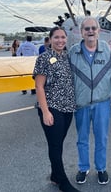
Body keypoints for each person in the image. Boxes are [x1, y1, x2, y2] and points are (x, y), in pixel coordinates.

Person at [33, 27, 80, 192]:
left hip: (67, 108)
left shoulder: (67, 57)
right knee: (54, 145)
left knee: (58, 144)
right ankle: (63, 183)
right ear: (50, 39)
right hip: (52, 108)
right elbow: (39, 87)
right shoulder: (44, 58)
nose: (60, 40)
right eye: (56, 38)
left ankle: (54, 176)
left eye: (63, 37)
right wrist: (45, 111)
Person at [69, 16, 111, 185]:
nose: (90, 32)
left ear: (98, 31)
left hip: (102, 102)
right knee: (82, 138)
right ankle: (83, 168)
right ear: (81, 32)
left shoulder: (107, 49)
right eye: (86, 29)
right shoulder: (73, 52)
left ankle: (101, 168)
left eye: (93, 28)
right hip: (81, 104)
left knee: (101, 138)